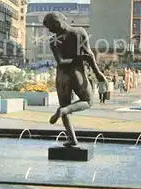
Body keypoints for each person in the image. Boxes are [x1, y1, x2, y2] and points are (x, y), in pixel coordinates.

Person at [43, 12, 107, 147]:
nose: (50, 31)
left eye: (50, 28)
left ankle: (72, 138)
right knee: (88, 101)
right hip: (77, 73)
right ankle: (65, 111)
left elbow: (60, 61)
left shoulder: (53, 41)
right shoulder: (79, 32)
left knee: (64, 104)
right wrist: (97, 72)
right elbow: (89, 55)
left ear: (57, 24)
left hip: (62, 76)